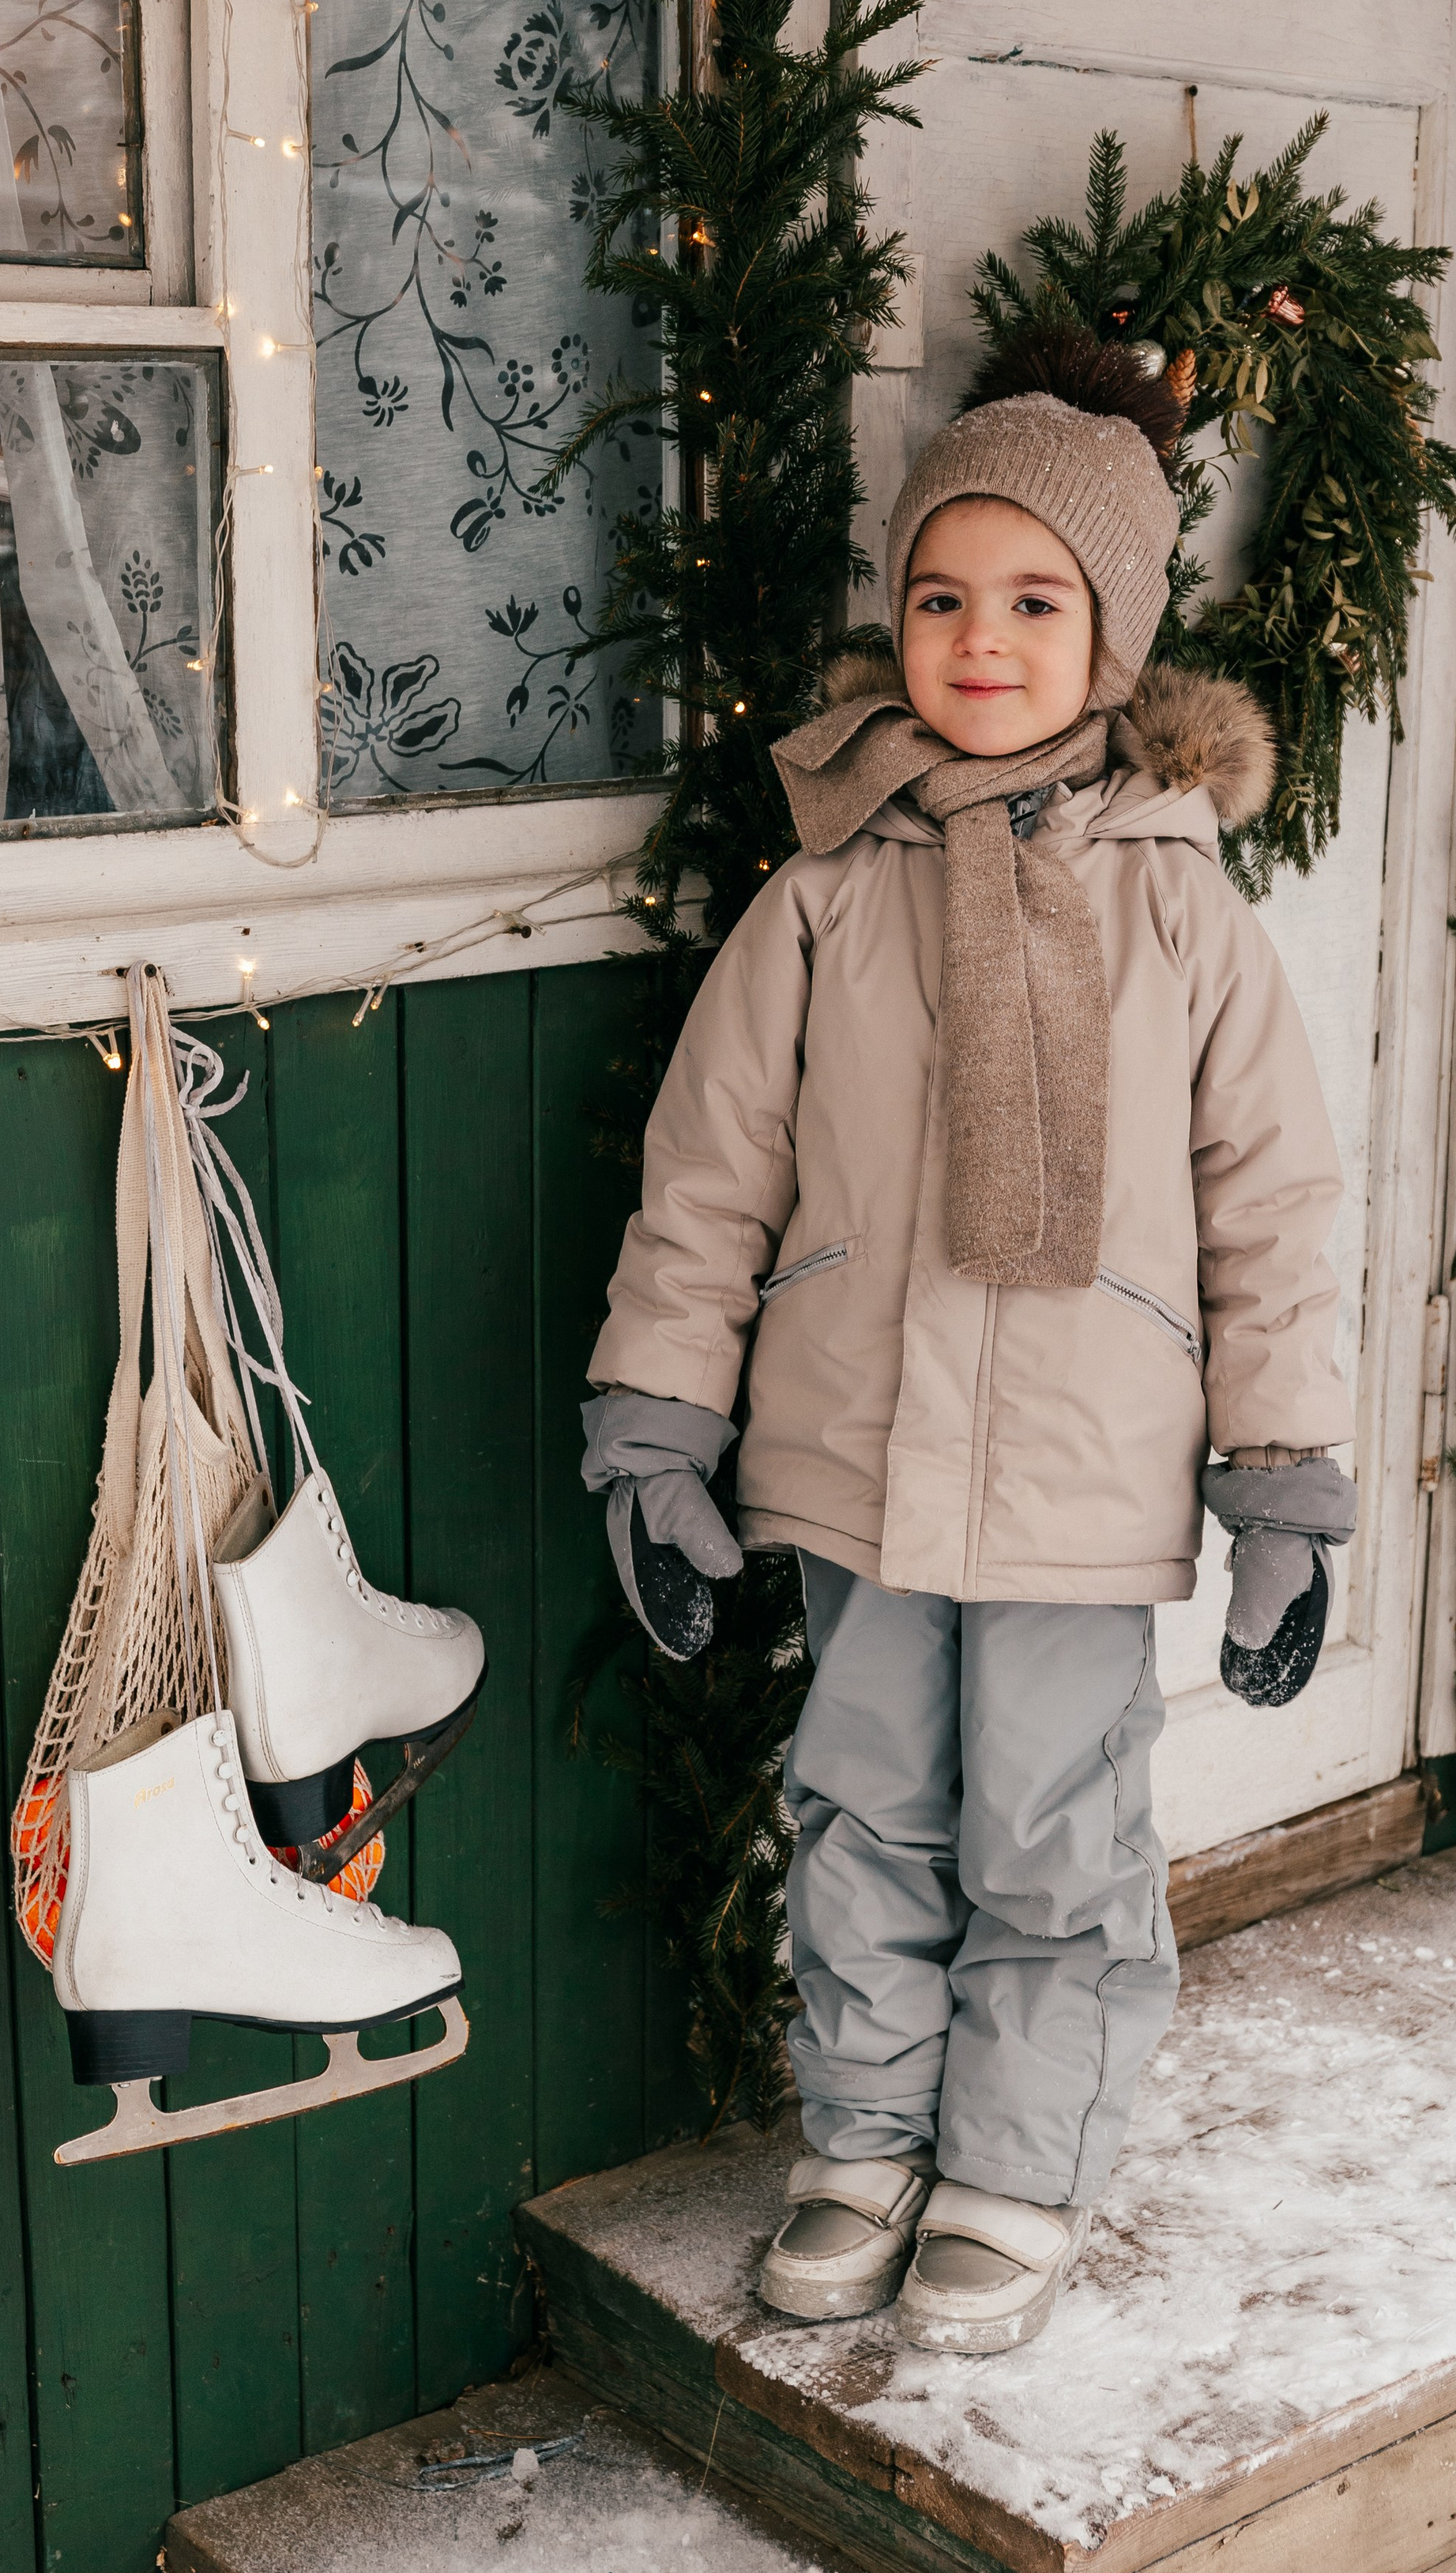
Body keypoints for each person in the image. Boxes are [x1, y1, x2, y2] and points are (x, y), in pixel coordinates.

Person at [580, 326, 1356, 2356]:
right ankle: (863, 2141)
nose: (979, 641)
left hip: (1081, 1480)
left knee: (1047, 1828)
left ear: (1107, 637)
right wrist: (658, 1428)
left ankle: (1014, 2158)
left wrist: (1278, 1483)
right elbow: (709, 1171)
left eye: (1032, 602)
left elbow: (1273, 1206)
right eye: (942, 597)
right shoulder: (826, 892)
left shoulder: (1180, 906)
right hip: (849, 1455)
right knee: (860, 1807)